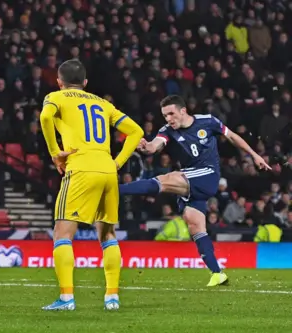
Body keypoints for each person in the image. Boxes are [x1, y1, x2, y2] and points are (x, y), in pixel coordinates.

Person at [119, 95, 271, 286]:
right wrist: (146, 147)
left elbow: (232, 136)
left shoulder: (207, 121)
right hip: (191, 180)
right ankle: (217, 273)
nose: (168, 119)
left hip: (208, 174)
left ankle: (115, 190)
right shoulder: (168, 130)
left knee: (166, 180)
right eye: (165, 115)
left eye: (171, 114)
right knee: (194, 224)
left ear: (183, 111)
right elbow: (154, 146)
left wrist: (255, 155)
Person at [39, 59, 143, 311]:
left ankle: (66, 299)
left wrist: (55, 152)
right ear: (85, 83)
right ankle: (112, 297)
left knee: (62, 233)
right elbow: (136, 132)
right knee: (107, 234)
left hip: (81, 167)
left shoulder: (56, 97)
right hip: (107, 170)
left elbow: (45, 117)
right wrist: (117, 162)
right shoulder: (103, 103)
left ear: (59, 81)